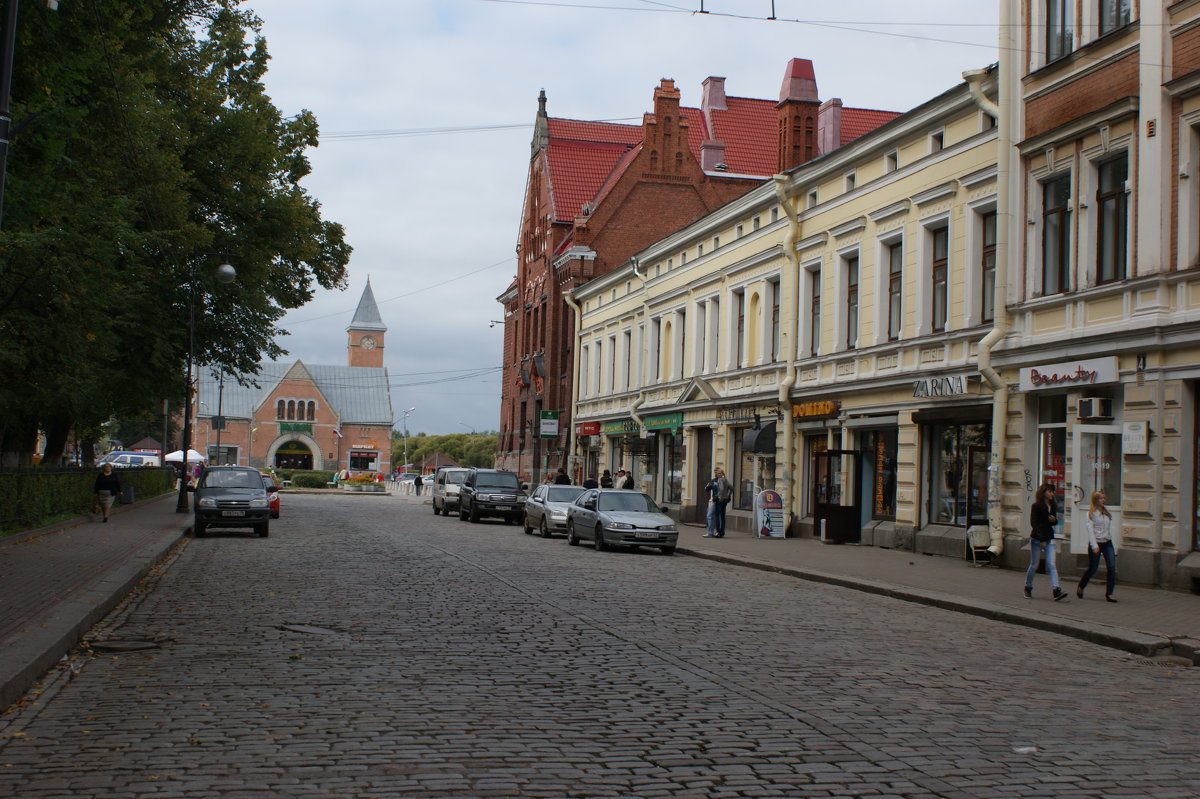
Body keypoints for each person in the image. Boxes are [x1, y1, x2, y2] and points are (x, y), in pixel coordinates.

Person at [1026, 483, 1069, 601]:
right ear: (1043, 492)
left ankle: (1056, 590)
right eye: (1049, 491)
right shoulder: (1036, 506)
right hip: (1037, 539)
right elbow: (1034, 523)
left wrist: (1054, 520)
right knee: (1034, 565)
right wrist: (1041, 539)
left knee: (1051, 564)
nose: (1052, 494)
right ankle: (1028, 587)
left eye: (1053, 492)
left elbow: (1052, 523)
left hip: (1049, 538)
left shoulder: (1052, 506)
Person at [1077, 490, 1118, 602]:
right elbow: (1090, 530)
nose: (1103, 500)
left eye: (1104, 498)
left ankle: (1109, 593)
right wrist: (1094, 545)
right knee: (1093, 568)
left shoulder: (1106, 513)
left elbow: (1108, 528)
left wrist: (1109, 537)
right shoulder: (1091, 514)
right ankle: (1081, 586)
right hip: (1096, 542)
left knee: (1111, 567)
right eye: (1101, 498)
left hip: (1107, 542)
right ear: (1096, 500)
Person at [703, 467, 733, 537]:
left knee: (712, 515)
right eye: (716, 472)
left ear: (722, 473)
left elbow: (726, 489)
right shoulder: (713, 481)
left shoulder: (723, 480)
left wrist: (724, 497)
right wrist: (708, 486)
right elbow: (706, 489)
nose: (717, 473)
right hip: (718, 500)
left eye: (719, 472)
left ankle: (714, 532)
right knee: (720, 516)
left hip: (719, 500)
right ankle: (719, 532)